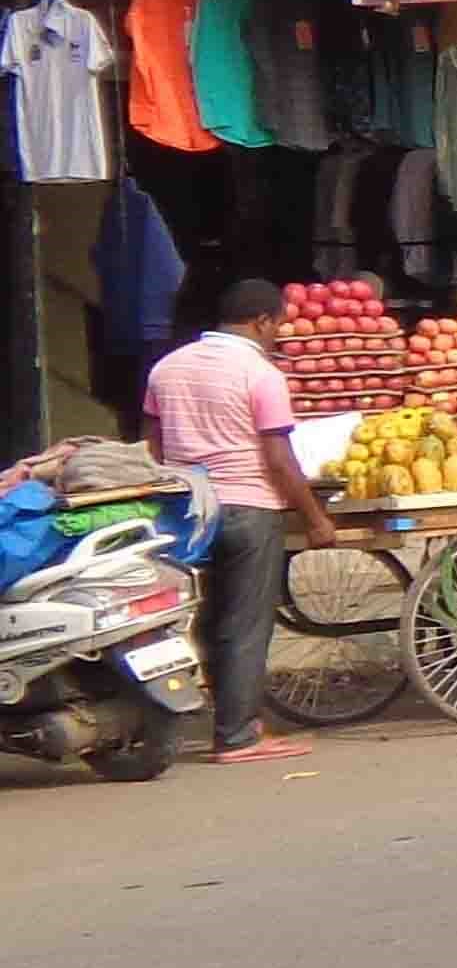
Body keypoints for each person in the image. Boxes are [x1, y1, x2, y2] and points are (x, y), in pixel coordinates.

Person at [145, 278, 353, 766]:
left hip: (190, 511)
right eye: (278, 324)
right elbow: (279, 458)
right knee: (245, 622)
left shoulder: (166, 368)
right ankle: (237, 736)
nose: (278, 334)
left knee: (213, 614)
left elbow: (151, 445)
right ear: (262, 322)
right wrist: (315, 516)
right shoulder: (260, 375)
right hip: (247, 506)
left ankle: (229, 716)